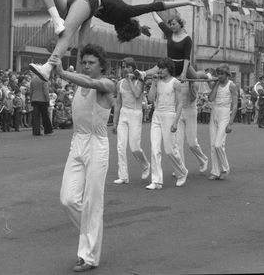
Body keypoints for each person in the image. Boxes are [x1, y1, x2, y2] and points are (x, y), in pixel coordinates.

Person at [29, 0, 202, 82]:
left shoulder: (121, 16)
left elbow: (150, 10)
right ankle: (48, 63)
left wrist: (141, 28)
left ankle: (55, 29)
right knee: (66, 34)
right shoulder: (123, 13)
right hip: (82, 4)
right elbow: (157, 5)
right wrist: (186, 2)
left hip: (78, 4)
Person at [48, 44, 115, 273]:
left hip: (97, 144)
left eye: (91, 63)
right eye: (84, 62)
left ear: (102, 66)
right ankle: (90, 233)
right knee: (67, 199)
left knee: (92, 202)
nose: (86, 66)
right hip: (77, 142)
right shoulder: (79, 82)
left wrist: (63, 73)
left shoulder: (107, 84)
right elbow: (82, 76)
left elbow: (92, 83)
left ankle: (89, 256)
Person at [145, 58, 188, 190]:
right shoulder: (157, 82)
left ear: (169, 69)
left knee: (170, 150)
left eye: (163, 68)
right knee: (155, 148)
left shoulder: (175, 83)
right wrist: (153, 83)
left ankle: (182, 172)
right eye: (159, 68)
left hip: (170, 115)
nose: (160, 71)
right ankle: (156, 181)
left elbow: (180, 103)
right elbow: (151, 99)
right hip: (157, 115)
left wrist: (176, 122)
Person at [112, 57, 150, 185]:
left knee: (134, 147)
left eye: (127, 66)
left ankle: (145, 165)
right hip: (123, 113)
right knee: (120, 146)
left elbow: (137, 95)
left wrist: (129, 80)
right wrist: (115, 122)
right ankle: (123, 176)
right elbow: (118, 103)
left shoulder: (139, 80)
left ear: (133, 68)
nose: (125, 69)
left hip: (136, 113)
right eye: (123, 67)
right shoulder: (120, 83)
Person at [146, 14, 209, 80]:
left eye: (173, 24)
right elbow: (159, 22)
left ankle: (207, 75)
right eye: (170, 24)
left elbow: (187, 58)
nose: (171, 26)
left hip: (182, 65)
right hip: (170, 63)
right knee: (157, 68)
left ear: (180, 24)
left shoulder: (187, 39)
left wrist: (184, 73)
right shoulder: (169, 33)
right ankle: (143, 73)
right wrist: (152, 10)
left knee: (196, 76)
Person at [207, 63, 238, 180]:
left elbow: (235, 105)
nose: (219, 76)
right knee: (212, 145)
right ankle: (215, 171)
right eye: (218, 73)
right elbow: (211, 98)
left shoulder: (232, 86)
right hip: (214, 112)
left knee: (218, 144)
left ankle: (225, 168)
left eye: (221, 74)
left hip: (224, 114)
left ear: (227, 74)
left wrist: (230, 123)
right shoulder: (217, 84)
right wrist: (215, 84)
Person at [176, 81, 209, 173]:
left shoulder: (194, 82)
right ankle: (180, 167)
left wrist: (190, 83)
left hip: (190, 111)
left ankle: (203, 159)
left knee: (192, 143)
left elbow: (193, 97)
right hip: (178, 111)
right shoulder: (175, 80)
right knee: (178, 143)